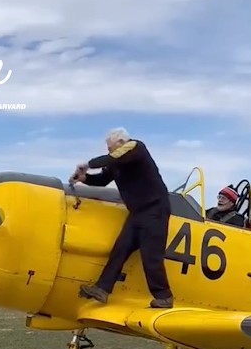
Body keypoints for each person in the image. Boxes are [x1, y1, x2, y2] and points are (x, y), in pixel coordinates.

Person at [71, 128, 175, 309]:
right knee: (120, 249)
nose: (109, 151)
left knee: (151, 256)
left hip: (155, 210)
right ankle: (102, 289)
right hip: (137, 212)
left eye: (110, 147)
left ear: (121, 143)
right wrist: (84, 178)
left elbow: (112, 158)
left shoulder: (135, 147)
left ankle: (164, 296)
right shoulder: (116, 161)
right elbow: (103, 180)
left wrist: (86, 164)